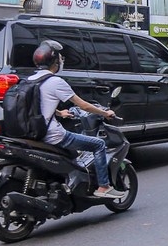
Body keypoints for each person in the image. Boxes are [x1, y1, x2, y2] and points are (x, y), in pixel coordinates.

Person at [31, 40, 126, 199]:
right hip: (53, 135)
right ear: (54, 62)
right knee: (99, 144)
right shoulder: (55, 82)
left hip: (32, 133)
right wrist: (105, 113)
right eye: (60, 58)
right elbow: (84, 106)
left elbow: (37, 105)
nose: (61, 61)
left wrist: (61, 113)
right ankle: (103, 187)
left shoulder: (31, 80)